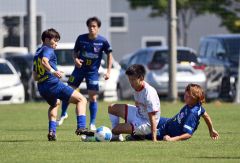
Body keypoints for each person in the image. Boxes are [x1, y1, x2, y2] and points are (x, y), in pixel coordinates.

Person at [32, 28, 94, 141]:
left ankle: (52, 131)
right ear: (46, 40)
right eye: (54, 41)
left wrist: (48, 73)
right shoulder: (48, 49)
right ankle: (81, 127)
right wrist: (53, 72)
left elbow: (35, 76)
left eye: (57, 41)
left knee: (55, 104)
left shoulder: (37, 52)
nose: (56, 44)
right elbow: (44, 62)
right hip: (53, 84)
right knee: (82, 100)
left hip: (42, 87)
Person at [58, 16, 113, 131]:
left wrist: (108, 71)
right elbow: (74, 52)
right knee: (68, 91)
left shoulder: (102, 41)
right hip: (79, 70)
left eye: (94, 26)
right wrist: (76, 60)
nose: (92, 28)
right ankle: (63, 114)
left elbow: (109, 55)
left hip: (92, 72)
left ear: (98, 28)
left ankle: (92, 123)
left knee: (93, 97)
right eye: (90, 26)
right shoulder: (81, 38)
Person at [130, 83, 219, 141]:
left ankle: (132, 134)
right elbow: (206, 116)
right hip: (168, 122)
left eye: (188, 96)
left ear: (195, 98)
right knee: (150, 119)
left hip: (167, 132)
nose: (185, 97)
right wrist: (211, 130)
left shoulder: (192, 113)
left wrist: (172, 139)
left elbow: (188, 134)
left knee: (142, 132)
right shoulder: (196, 105)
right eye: (185, 94)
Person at [108, 64, 161, 142]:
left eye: (133, 79)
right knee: (111, 107)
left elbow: (152, 116)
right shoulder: (136, 87)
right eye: (129, 79)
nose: (131, 82)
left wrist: (154, 139)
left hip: (147, 123)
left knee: (116, 129)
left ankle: (118, 132)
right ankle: (116, 136)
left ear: (141, 78)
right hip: (138, 114)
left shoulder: (149, 92)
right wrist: (128, 119)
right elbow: (137, 105)